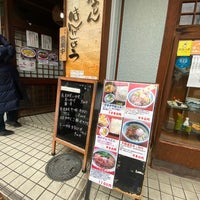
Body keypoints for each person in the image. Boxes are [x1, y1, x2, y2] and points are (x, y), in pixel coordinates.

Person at [0, 35, 22, 136]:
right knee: (2, 101)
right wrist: (5, 42)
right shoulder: (2, 50)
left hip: (8, 75)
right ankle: (0, 129)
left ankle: (11, 119)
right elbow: (10, 50)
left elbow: (10, 52)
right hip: (3, 76)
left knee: (14, 97)